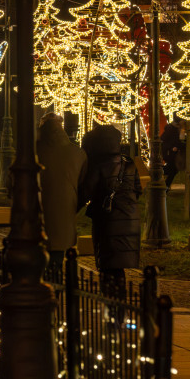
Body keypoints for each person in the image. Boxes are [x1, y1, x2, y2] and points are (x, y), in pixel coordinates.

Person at [78, 125, 142, 303]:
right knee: (117, 267)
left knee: (108, 266)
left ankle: (114, 306)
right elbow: (138, 189)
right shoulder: (128, 163)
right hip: (129, 219)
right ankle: (118, 305)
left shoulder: (99, 165)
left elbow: (86, 193)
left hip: (108, 221)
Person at [36, 112, 88, 271]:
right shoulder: (77, 153)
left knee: (37, 259)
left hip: (35, 214)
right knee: (57, 256)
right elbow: (83, 186)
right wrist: (73, 205)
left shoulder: (32, 151)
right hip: (65, 213)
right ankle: (56, 285)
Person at [160, 118, 184, 187]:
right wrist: (171, 147)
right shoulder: (171, 129)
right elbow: (163, 140)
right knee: (173, 169)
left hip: (172, 153)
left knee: (173, 169)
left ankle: (165, 186)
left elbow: (177, 141)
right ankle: (165, 185)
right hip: (169, 153)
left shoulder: (178, 129)